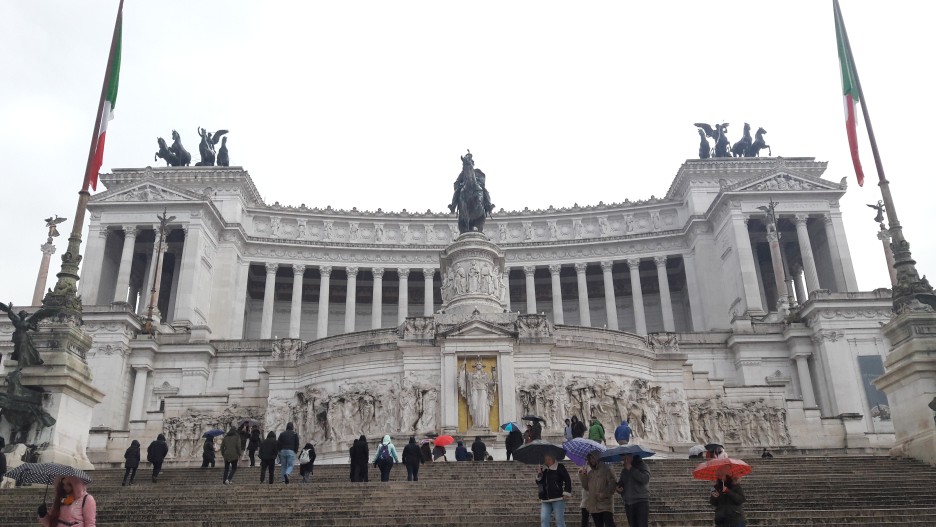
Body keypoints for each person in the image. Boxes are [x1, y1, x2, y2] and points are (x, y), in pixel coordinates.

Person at [579, 450, 618, 527]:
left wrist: (604, 494)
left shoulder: (607, 469)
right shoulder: (590, 473)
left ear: (598, 458)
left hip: (605, 504)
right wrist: (583, 476)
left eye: (593, 458)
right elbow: (586, 487)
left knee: (609, 524)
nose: (591, 460)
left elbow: (612, 484)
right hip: (594, 505)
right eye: (590, 458)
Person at [536, 453, 572, 527]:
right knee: (544, 519)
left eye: (549, 459)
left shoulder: (560, 467)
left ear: (553, 459)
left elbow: (567, 480)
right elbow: (539, 483)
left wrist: (566, 492)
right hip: (545, 498)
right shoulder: (543, 469)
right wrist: (539, 474)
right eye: (545, 459)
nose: (547, 461)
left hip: (558, 498)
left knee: (559, 521)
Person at [615, 453, 650, 527]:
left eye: (625, 459)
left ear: (631, 457)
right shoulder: (624, 470)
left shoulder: (643, 466)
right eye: (623, 459)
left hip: (641, 501)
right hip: (628, 503)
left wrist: (631, 468)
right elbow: (621, 484)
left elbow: (645, 479)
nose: (624, 461)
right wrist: (618, 489)